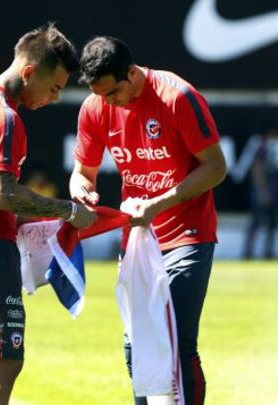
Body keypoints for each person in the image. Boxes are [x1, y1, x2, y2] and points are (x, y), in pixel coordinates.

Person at [0, 23, 97, 405]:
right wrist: (68, 210)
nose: (55, 98)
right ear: (29, 73)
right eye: (55, 87)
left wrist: (41, 220)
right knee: (5, 362)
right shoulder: (4, 117)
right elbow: (3, 195)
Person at [70, 36, 226, 405]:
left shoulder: (177, 98)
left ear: (131, 72)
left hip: (188, 235)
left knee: (176, 340)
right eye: (99, 94)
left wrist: (160, 202)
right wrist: (82, 191)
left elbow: (216, 168)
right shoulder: (95, 107)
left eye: (112, 93)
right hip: (139, 239)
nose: (107, 102)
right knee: (136, 343)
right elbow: (81, 173)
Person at [243, 126, 278, 259]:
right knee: (256, 222)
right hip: (263, 189)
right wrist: (262, 191)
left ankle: (268, 252)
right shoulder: (262, 148)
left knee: (272, 223)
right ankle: (248, 252)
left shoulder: (271, 149)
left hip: (272, 189)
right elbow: (257, 169)